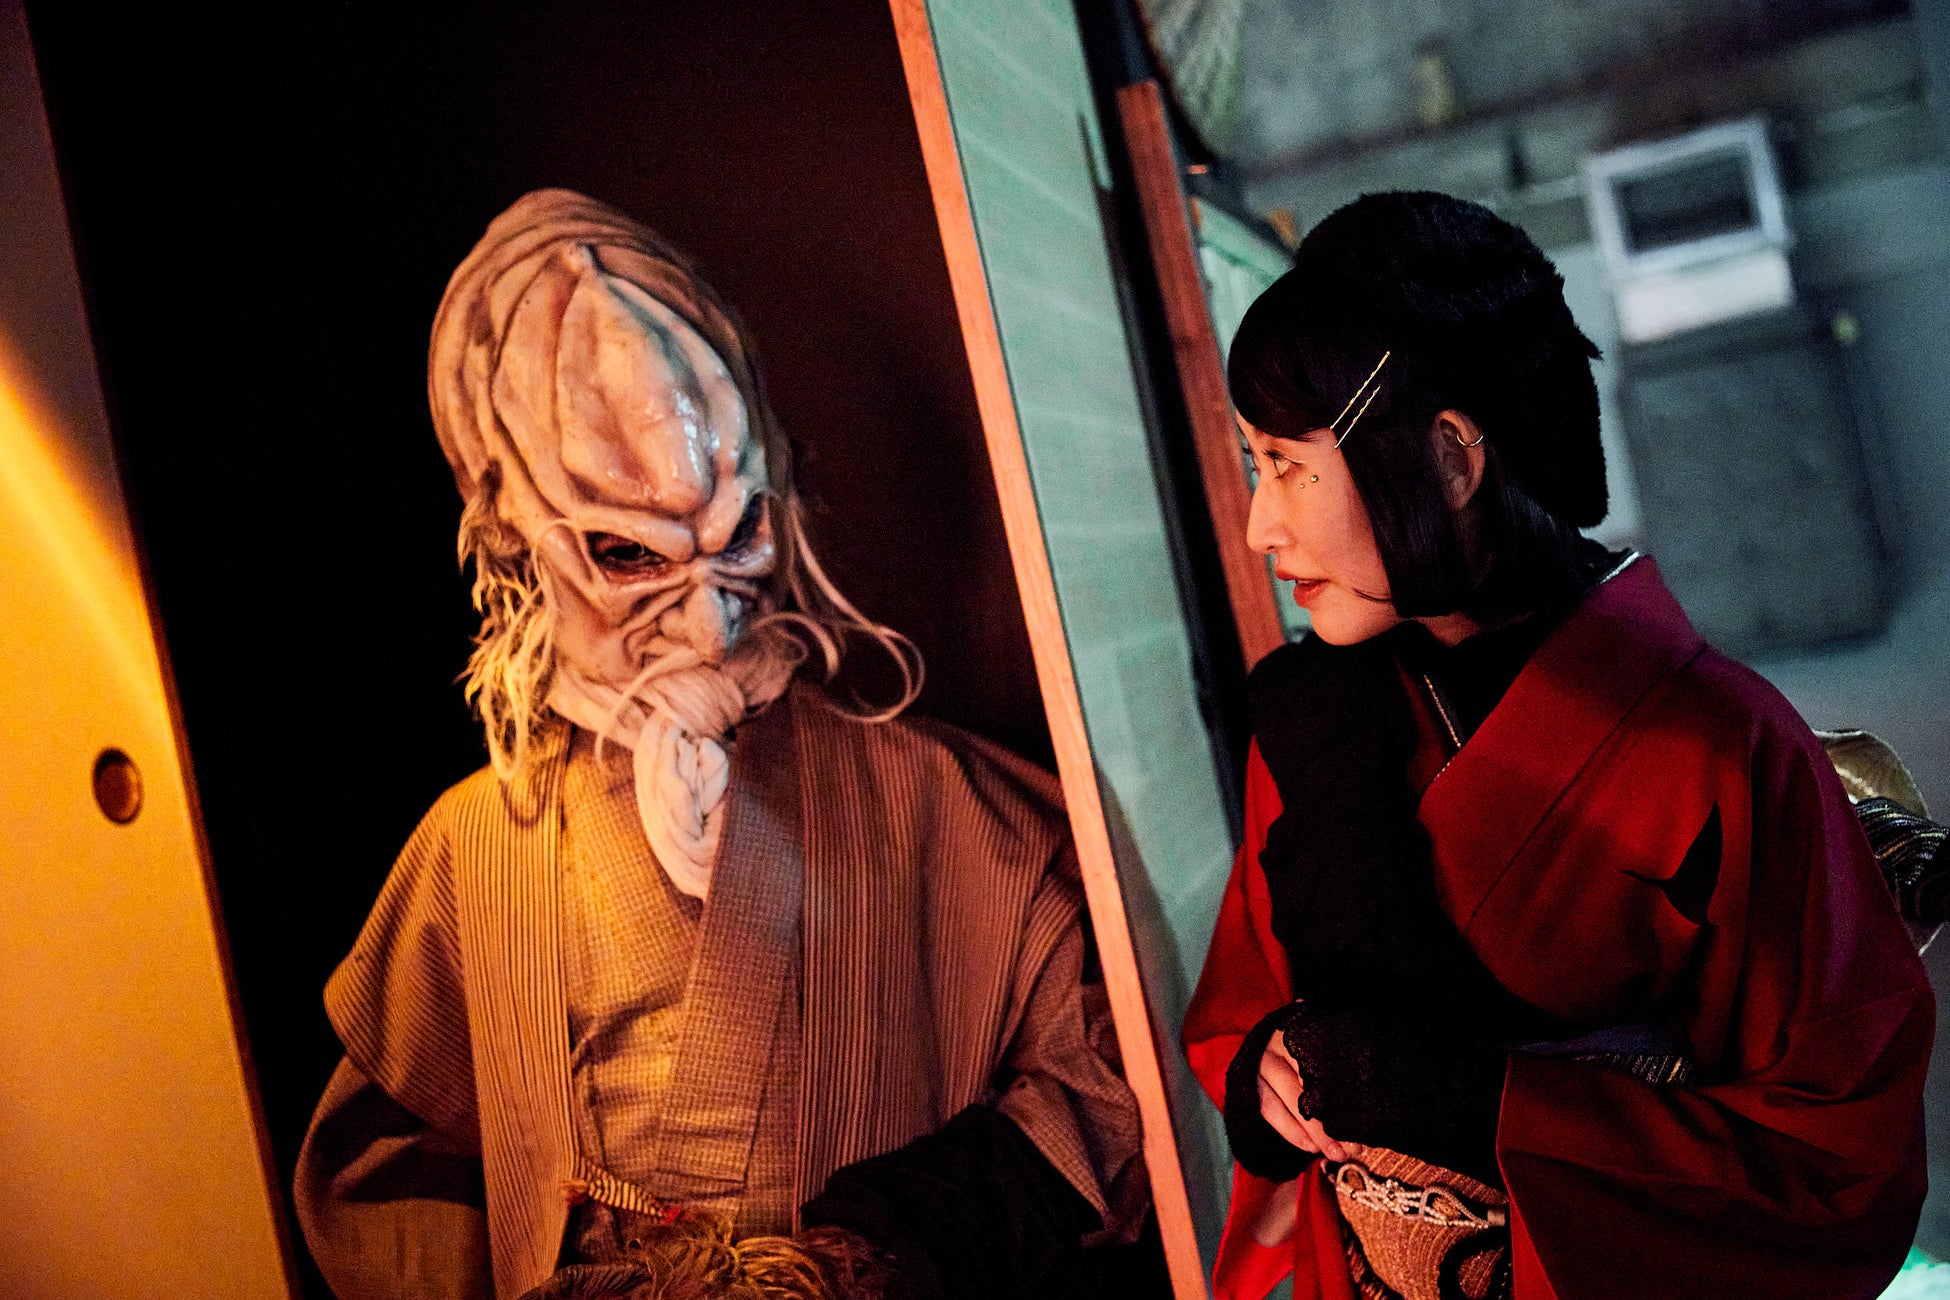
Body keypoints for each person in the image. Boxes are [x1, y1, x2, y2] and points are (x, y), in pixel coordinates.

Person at [294, 189, 1146, 1300]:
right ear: (510, 535)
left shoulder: (936, 800)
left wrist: (912, 1234)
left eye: (739, 534)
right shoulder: (475, 852)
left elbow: (1112, 1072)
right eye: (629, 554)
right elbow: (383, 1174)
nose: (708, 624)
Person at [1182, 191, 1934, 1300]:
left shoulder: (1716, 745)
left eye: (1291, 466)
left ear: (1451, 459)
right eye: (1254, 465)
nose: (1261, 526)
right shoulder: (1314, 709)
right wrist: (1265, 1073)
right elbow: (1243, 1002)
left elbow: (1838, 1166)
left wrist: (1491, 1107)